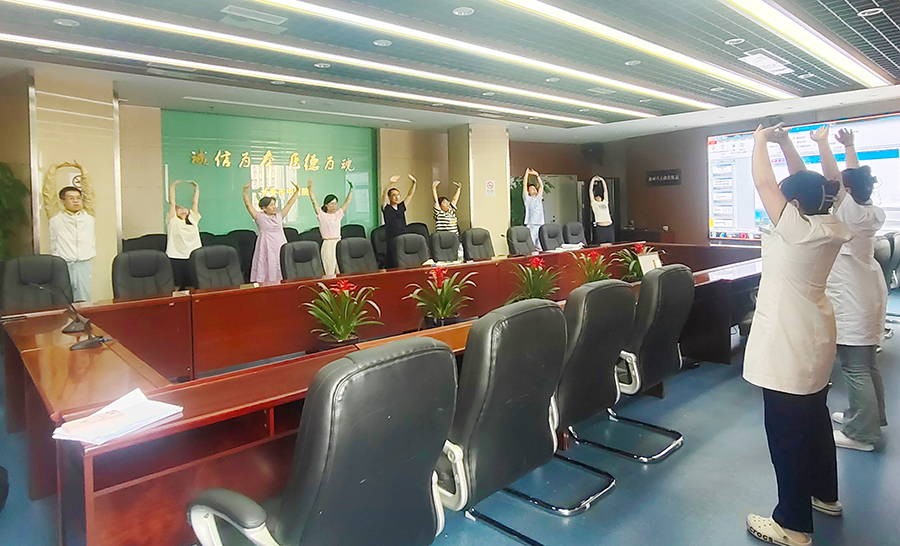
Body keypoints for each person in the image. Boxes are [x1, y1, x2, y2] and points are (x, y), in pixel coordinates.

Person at [743, 122, 852, 546]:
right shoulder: (828, 223)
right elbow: (812, 185)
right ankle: (825, 494)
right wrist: (787, 142)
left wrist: (759, 141)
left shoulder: (797, 230)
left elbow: (765, 183)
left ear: (793, 204)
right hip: (815, 337)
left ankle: (791, 525)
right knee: (814, 422)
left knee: (786, 436)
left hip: (787, 344)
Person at [818, 127, 887, 452]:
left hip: (853, 297)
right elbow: (854, 178)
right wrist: (849, 146)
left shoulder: (849, 212)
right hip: (868, 291)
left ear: (846, 191)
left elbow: (836, 176)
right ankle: (871, 417)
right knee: (867, 364)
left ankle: (861, 433)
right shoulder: (868, 210)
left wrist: (823, 144)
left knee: (855, 366)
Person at [42, 162, 95, 302]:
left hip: (83, 263)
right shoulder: (55, 215)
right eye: (71, 198)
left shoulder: (88, 214)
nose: (76, 201)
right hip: (62, 264)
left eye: (78, 198)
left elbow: (89, 193)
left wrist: (83, 170)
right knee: (63, 299)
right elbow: (48, 194)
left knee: (83, 299)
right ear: (62, 201)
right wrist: (53, 169)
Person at [243, 182, 299, 283]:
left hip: (280, 243)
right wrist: (244, 192)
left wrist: (296, 192)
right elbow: (248, 205)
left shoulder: (279, 216)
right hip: (266, 244)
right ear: (264, 208)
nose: (274, 207)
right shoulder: (259, 216)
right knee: (266, 263)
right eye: (271, 205)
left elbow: (289, 204)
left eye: (274, 205)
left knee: (280, 263)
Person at [308, 179, 353, 276]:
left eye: (336, 204)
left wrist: (351, 188)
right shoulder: (322, 215)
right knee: (329, 270)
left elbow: (347, 202)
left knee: (341, 269)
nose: (334, 206)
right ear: (326, 205)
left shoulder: (338, 214)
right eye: (332, 204)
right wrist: (310, 189)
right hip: (328, 244)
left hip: (339, 242)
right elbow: (314, 202)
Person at [165, 180, 202, 290]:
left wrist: (196, 189)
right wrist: (173, 186)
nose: (183, 209)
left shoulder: (193, 219)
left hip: (193, 256)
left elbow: (195, 203)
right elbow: (172, 202)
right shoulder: (173, 221)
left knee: (193, 285)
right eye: (179, 208)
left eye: (184, 208)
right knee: (177, 285)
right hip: (175, 257)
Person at [382, 174, 416, 268]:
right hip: (392, 238)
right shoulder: (386, 208)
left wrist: (414, 183)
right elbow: (384, 194)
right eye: (394, 195)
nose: (397, 197)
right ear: (390, 197)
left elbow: (410, 195)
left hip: (403, 236)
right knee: (393, 260)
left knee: (403, 260)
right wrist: (390, 183)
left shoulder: (401, 206)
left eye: (398, 195)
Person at [522, 167, 545, 249]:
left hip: (540, 223)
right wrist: (527, 174)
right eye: (532, 188)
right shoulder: (527, 199)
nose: (534, 189)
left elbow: (541, 187)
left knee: (540, 245)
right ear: (528, 191)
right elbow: (524, 185)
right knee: (531, 244)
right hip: (531, 224)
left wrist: (537, 176)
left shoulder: (538, 198)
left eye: (535, 188)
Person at [589, 175, 614, 244]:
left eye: (599, 196)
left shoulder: (605, 202)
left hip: (609, 226)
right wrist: (593, 180)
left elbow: (605, 191)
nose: (598, 197)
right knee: (602, 245)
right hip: (600, 227)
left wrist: (602, 180)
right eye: (596, 196)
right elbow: (590, 191)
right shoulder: (594, 203)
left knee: (610, 245)